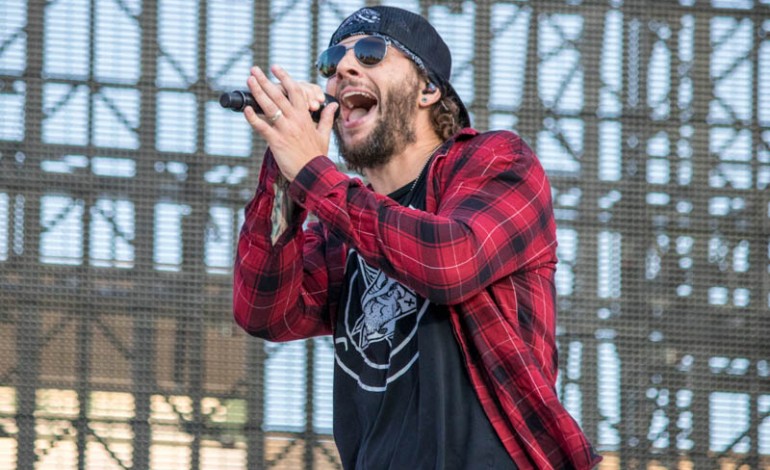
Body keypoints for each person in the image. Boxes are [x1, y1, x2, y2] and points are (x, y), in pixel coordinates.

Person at [232, 6, 601, 469]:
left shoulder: (497, 161)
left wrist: (313, 174)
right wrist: (285, 170)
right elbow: (265, 311)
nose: (343, 70)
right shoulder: (341, 228)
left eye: (370, 53)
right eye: (331, 62)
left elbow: (450, 262)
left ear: (428, 89)